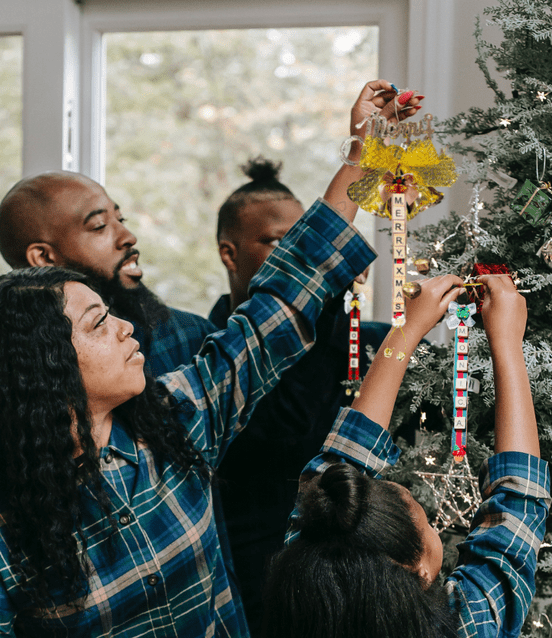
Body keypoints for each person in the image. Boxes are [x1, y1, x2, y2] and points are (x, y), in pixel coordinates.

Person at [0, 81, 414, 637]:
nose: (127, 328)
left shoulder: (175, 419)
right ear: (45, 364)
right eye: (100, 322)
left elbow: (285, 299)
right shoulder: (14, 529)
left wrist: (365, 151)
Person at [262, 274, 552, 638]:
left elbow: (340, 469)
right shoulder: (462, 629)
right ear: (421, 574)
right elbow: (519, 501)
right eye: (429, 523)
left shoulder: (304, 581)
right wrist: (508, 342)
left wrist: (408, 327)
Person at [211, 157, 391, 633]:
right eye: (274, 241)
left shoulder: (365, 343)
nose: (293, 252)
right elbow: (285, 430)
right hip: (251, 577)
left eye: (300, 237)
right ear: (229, 253)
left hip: (348, 576)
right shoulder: (207, 357)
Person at [0, 170, 216, 380]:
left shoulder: (193, 337)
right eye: (99, 226)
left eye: (121, 220)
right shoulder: (15, 373)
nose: (128, 237)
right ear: (43, 257)